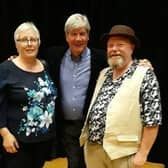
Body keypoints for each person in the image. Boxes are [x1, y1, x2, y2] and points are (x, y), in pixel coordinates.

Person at [43, 14, 154, 168]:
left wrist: (143, 63)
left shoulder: (102, 59)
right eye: (73, 34)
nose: (78, 38)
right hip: (67, 126)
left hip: (94, 128)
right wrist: (14, 59)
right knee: (74, 164)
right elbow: (32, 61)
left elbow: (123, 61)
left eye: (82, 33)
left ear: (88, 36)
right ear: (66, 36)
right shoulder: (54, 55)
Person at [79, 24, 162, 168]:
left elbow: (152, 119)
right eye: (110, 45)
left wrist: (143, 154)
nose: (114, 49)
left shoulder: (145, 74)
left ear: (132, 47)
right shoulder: (104, 73)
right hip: (94, 151)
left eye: (120, 45)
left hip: (123, 155)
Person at [0, 22, 57, 168]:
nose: (30, 44)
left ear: (39, 43)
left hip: (43, 140)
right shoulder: (5, 69)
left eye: (33, 39)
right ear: (16, 44)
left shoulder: (45, 65)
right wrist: (5, 134)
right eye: (24, 40)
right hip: (17, 142)